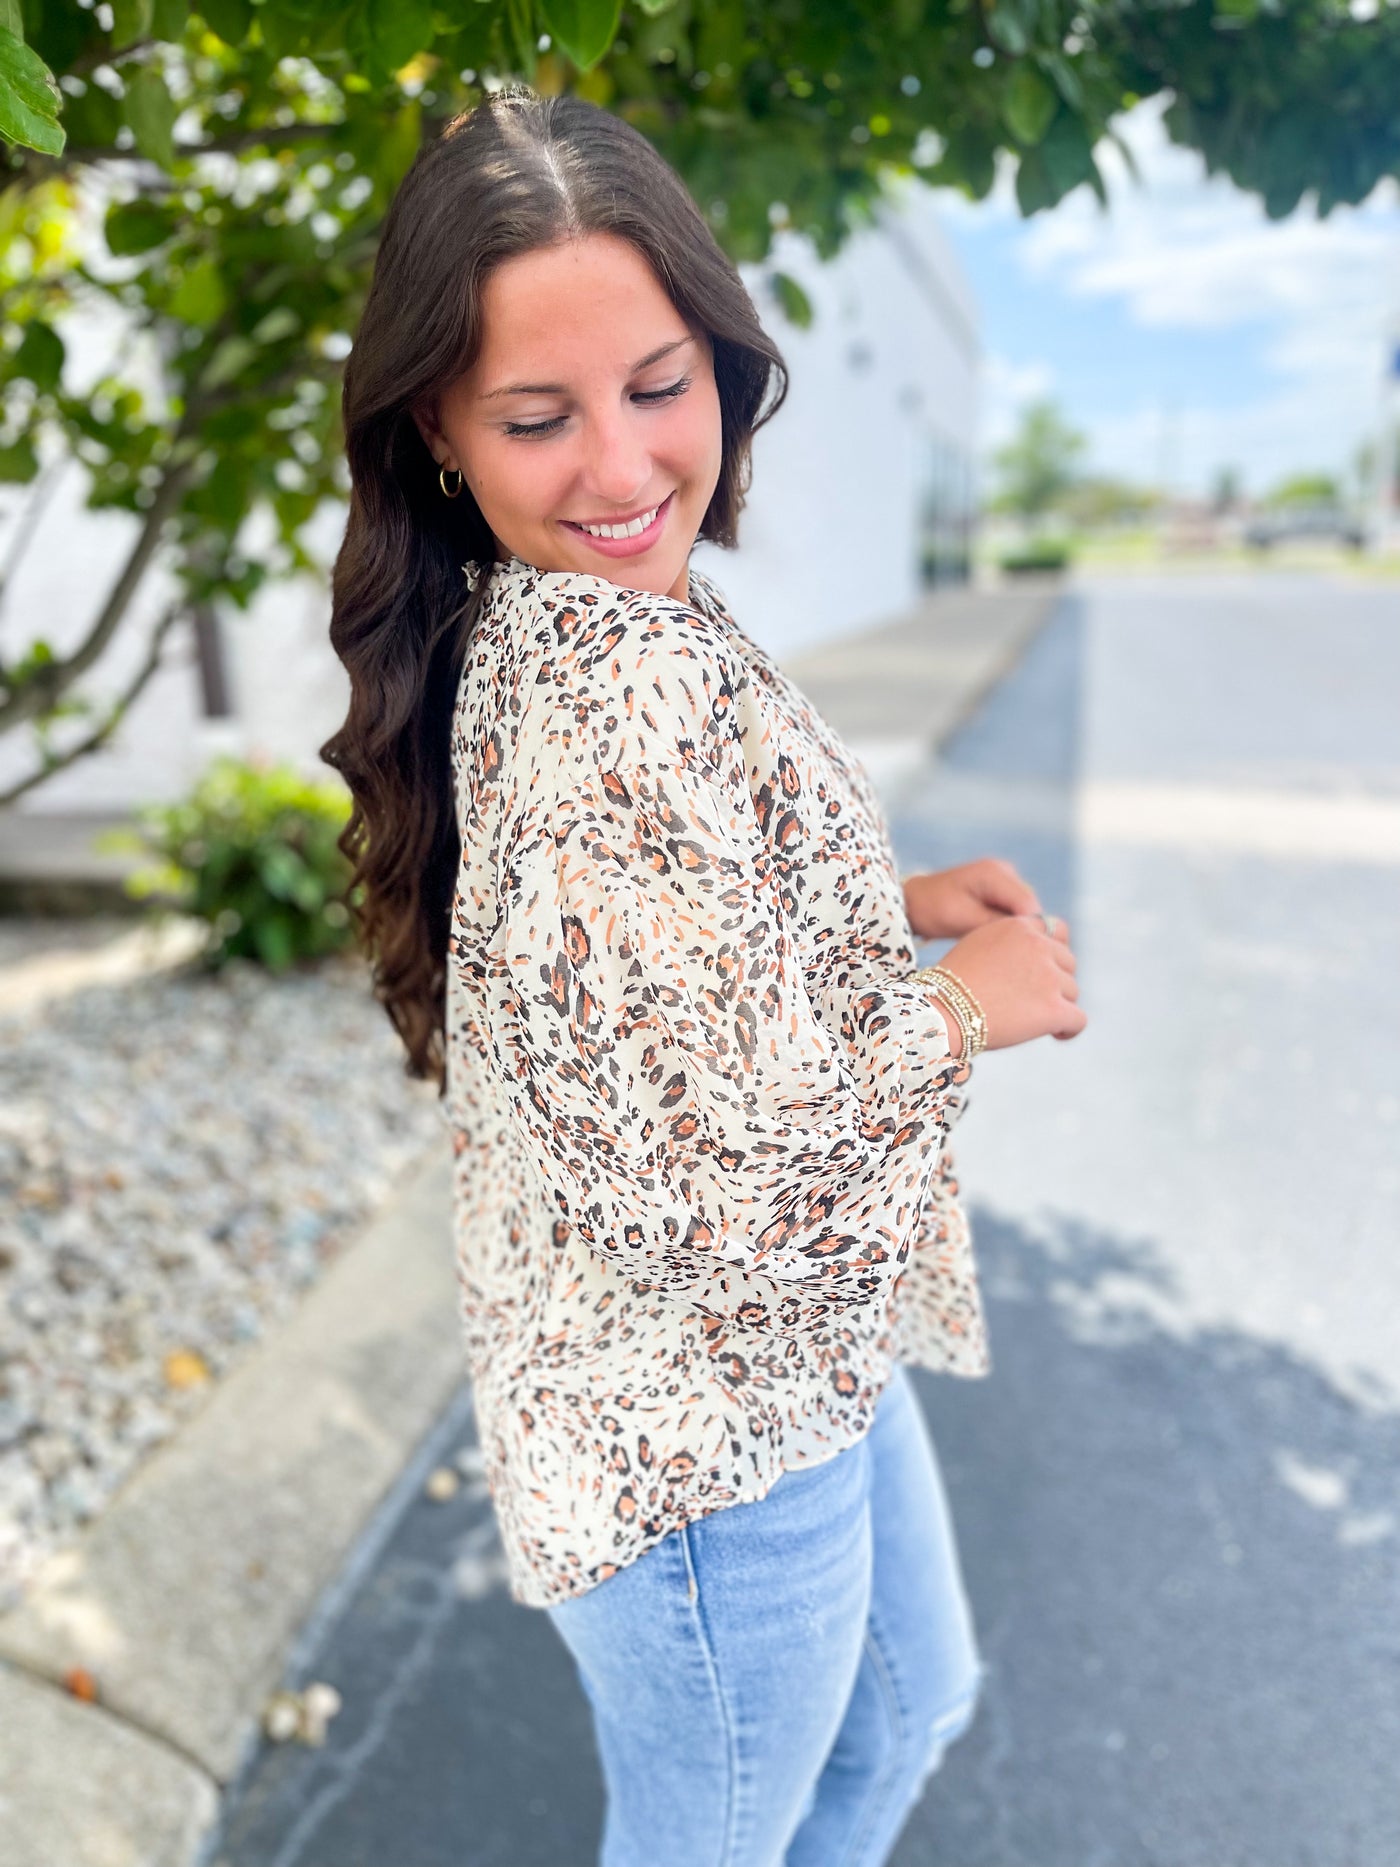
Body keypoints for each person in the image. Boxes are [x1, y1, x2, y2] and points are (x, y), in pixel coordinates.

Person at [321, 84, 1085, 1867]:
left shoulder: (577, 612)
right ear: (438, 427)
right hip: (703, 1444)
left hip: (795, 1363)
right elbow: (705, 1178)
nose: (620, 466)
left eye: (660, 386)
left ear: (723, 361)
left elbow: (652, 943)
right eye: (537, 417)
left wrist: (879, 902)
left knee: (907, 1717)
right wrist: (970, 1001)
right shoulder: (601, 680)